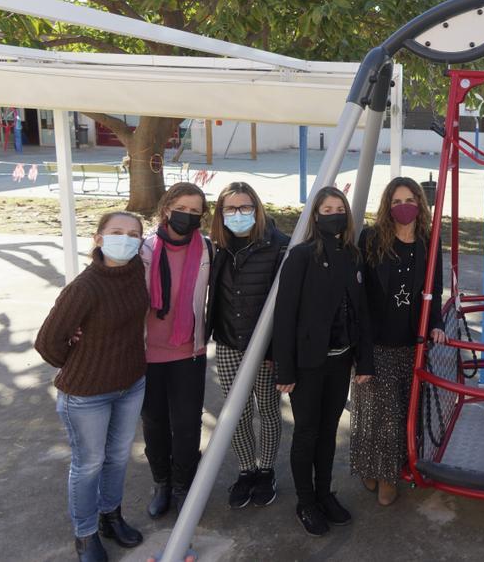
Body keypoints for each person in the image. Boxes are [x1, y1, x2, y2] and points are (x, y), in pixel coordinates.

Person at [35, 211, 149, 562]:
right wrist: (78, 357)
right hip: (87, 395)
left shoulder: (136, 272)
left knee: (116, 457)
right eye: (117, 232)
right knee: (89, 464)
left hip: (130, 384)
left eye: (134, 233)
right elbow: (47, 342)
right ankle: (85, 536)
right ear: (99, 238)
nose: (126, 239)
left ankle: (110, 516)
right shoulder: (84, 287)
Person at [272, 186, 374, 536]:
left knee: (328, 432)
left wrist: (365, 361)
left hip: (340, 361)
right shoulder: (300, 256)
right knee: (307, 432)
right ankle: (306, 502)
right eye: (326, 209)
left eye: (339, 208)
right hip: (307, 364)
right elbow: (284, 316)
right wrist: (284, 368)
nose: (334, 214)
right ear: (315, 216)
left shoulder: (353, 255)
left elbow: (361, 312)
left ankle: (323, 492)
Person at [352, 177, 444, 506]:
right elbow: (359, 293)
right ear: (387, 207)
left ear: (419, 203)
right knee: (373, 411)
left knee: (400, 414)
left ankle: (389, 473)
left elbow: (436, 287)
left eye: (407, 199)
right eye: (394, 201)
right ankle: (371, 467)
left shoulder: (428, 241)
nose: (401, 206)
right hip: (376, 340)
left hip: (410, 343)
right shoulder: (372, 238)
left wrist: (435, 325)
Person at [206, 182, 290, 509]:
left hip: (263, 349)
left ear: (257, 209)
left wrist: (277, 351)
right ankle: (246, 470)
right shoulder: (217, 247)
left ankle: (266, 470)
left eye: (245, 207)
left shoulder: (279, 246)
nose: (238, 214)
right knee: (235, 413)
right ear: (221, 213)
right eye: (231, 208)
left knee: (268, 411)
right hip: (228, 342)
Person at [140, 182, 211, 519]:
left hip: (188, 352)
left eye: (196, 211)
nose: (188, 215)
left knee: (186, 424)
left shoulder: (207, 250)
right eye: (183, 208)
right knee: (153, 422)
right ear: (167, 208)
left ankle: (184, 485)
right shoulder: (144, 249)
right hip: (147, 355)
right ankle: (162, 483)